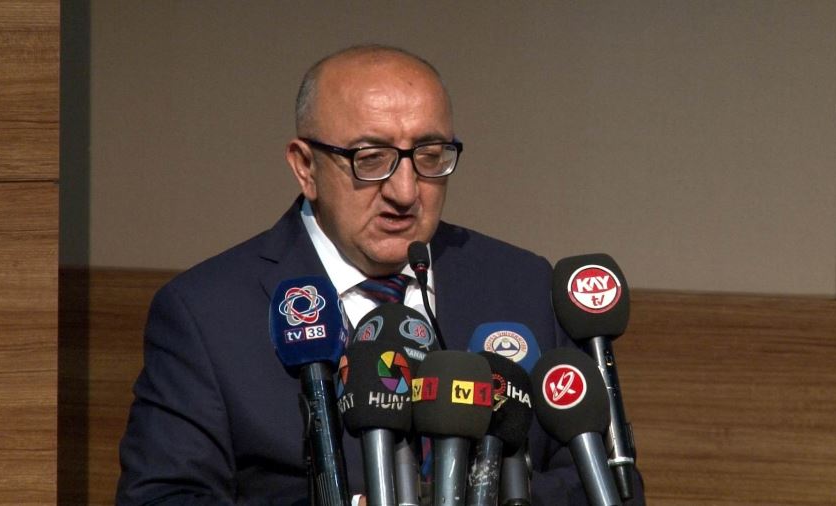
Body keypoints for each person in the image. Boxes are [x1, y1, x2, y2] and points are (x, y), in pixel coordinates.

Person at [117, 45, 640, 505]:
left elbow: (608, 483)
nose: (405, 191)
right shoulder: (205, 313)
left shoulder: (521, 284)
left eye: (430, 156)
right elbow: (162, 497)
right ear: (305, 167)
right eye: (371, 159)